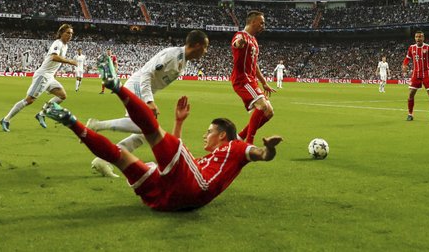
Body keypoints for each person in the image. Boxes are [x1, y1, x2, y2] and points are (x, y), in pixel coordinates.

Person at [40, 74, 282, 212]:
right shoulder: (206, 162)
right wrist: (179, 122)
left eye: (209, 132)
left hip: (195, 189)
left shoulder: (236, 148)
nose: (205, 136)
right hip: (170, 200)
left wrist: (269, 148)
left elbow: (261, 154)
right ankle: (71, 121)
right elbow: (177, 161)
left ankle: (116, 85)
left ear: (221, 135)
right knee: (120, 157)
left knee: (152, 130)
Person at [88, 30, 210, 156]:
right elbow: (147, 73)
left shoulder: (183, 60)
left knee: (143, 135)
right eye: (205, 47)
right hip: (138, 86)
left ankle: (105, 159)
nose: (205, 51)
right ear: (196, 45)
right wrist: (149, 101)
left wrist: (149, 98)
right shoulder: (172, 55)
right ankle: (96, 125)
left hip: (144, 90)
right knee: (144, 126)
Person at [0, 24, 78, 131]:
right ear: (61, 33)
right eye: (68, 33)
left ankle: (41, 114)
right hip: (43, 75)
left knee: (62, 95)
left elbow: (55, 63)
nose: (70, 35)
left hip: (50, 77)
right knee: (29, 100)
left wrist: (54, 75)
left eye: (72, 33)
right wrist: (70, 61)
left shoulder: (65, 46)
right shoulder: (57, 43)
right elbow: (54, 57)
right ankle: (6, 119)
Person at [231, 10, 276, 143]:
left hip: (252, 80)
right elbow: (236, 43)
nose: (263, 25)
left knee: (269, 112)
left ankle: (239, 137)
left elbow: (254, 65)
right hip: (242, 80)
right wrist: (239, 44)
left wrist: (264, 82)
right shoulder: (241, 36)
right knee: (262, 106)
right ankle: (249, 142)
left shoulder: (254, 41)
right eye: (261, 23)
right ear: (253, 22)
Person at [403, 31, 429, 121]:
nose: (418, 38)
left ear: (423, 38)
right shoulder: (411, 48)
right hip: (416, 74)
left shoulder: (428, 47)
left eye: (420, 37)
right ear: (415, 38)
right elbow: (407, 58)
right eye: (416, 37)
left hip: (427, 74)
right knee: (411, 94)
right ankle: (410, 114)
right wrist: (404, 65)